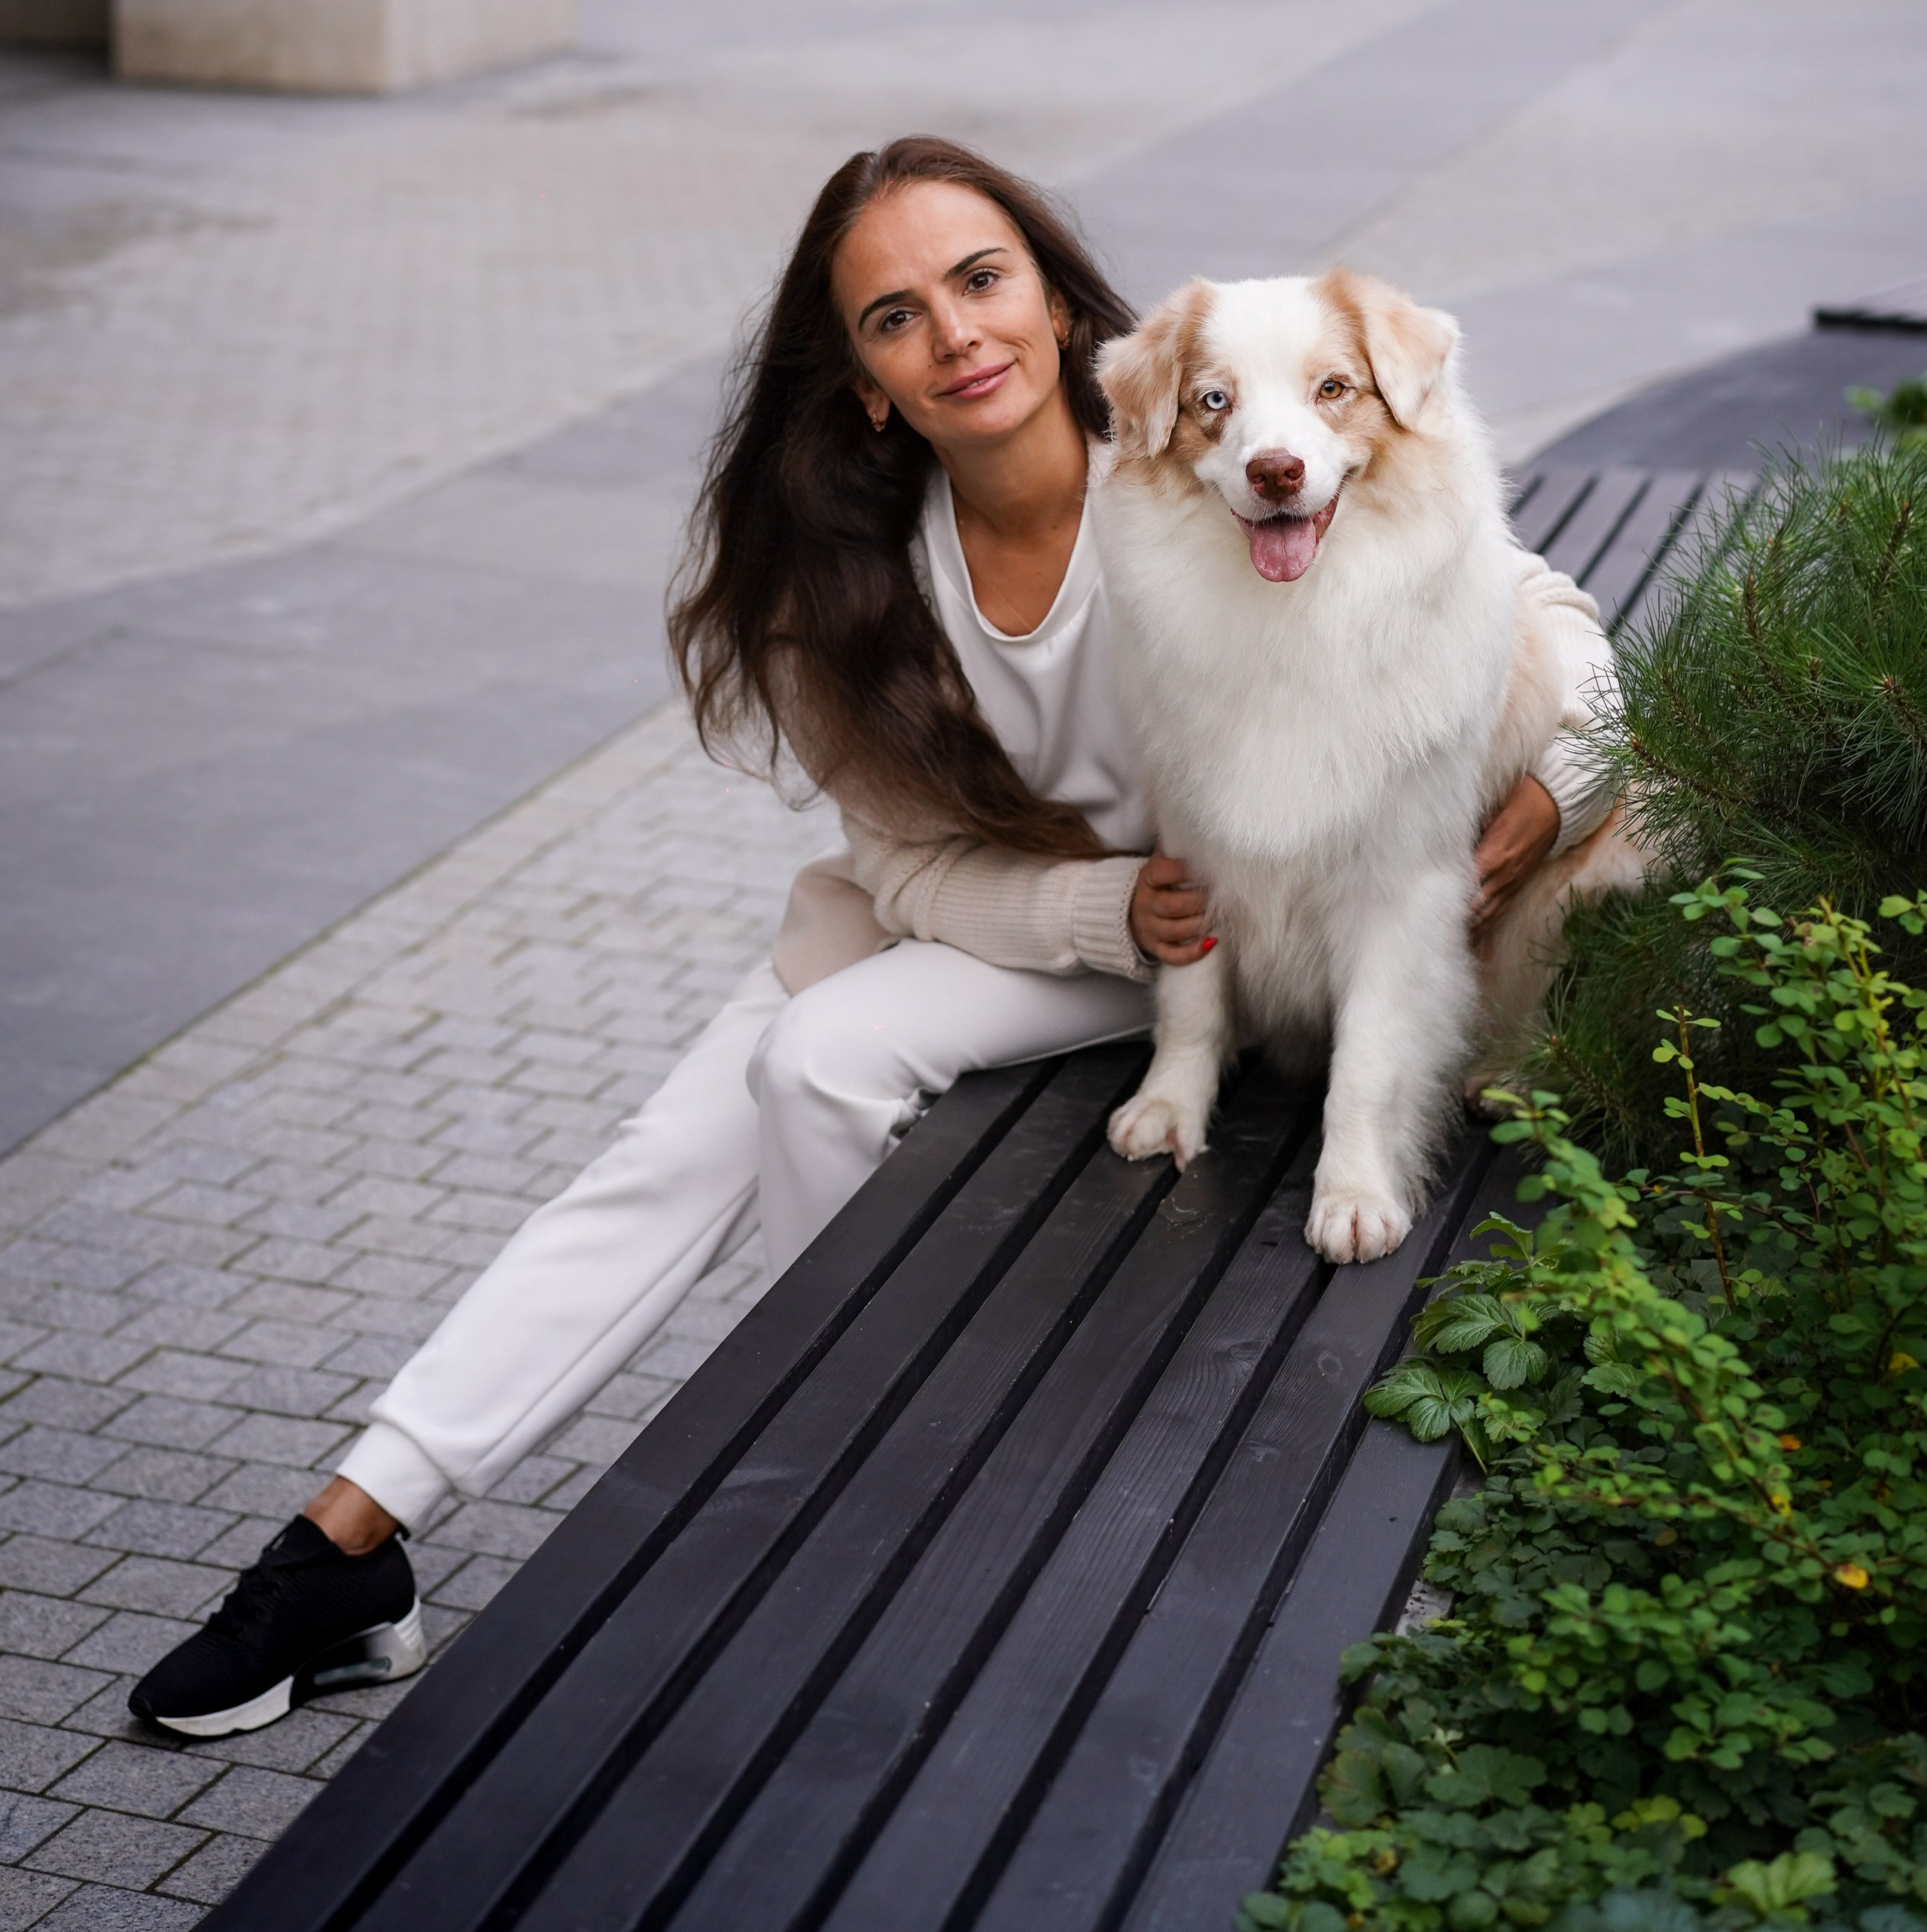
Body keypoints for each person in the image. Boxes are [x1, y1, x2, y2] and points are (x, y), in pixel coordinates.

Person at [129, 138, 1615, 1738]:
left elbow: (1542, 632)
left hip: (1245, 951)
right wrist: (1094, 908)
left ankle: (875, 1504)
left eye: (979, 280)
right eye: (895, 316)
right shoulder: (839, 588)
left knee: (820, 1055)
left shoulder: (1199, 462)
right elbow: (902, 867)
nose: (954, 331)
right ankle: (357, 1527)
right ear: (864, 383)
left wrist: (1542, 792)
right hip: (1050, 934)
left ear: (1048, 301)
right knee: (687, 1128)